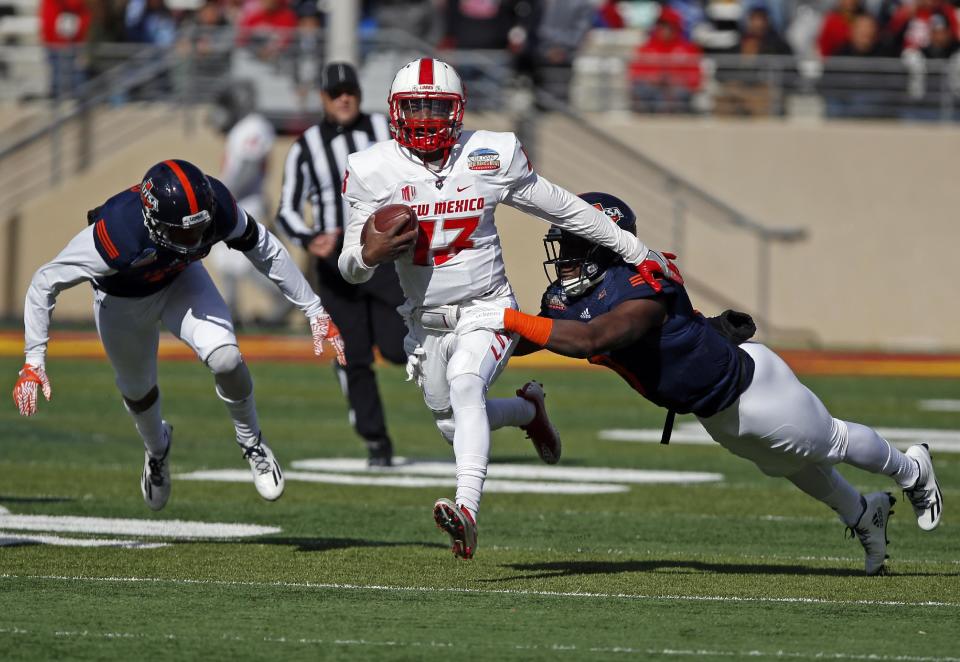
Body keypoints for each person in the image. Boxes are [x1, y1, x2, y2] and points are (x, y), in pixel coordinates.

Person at [456, 192, 944, 576]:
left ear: (603, 244)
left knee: (827, 441)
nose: (563, 256)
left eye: (574, 244)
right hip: (713, 408)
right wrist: (471, 334)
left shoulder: (640, 284)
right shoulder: (568, 297)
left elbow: (593, 338)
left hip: (751, 387)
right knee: (786, 463)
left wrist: (505, 316)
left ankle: (911, 469)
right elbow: (538, 336)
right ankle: (864, 514)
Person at [338, 58, 673, 559]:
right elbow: (348, 267)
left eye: (436, 106)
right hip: (425, 320)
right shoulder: (370, 169)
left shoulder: (489, 154)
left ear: (459, 110)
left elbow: (564, 207)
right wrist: (367, 255)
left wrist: (634, 250)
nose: (426, 118)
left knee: (466, 387)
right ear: (393, 111)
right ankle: (527, 411)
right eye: (415, 106)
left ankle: (466, 511)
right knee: (451, 422)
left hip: (486, 306)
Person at [12, 159, 345, 511]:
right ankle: (157, 451)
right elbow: (44, 282)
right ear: (153, 221)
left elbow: (265, 248)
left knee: (227, 358)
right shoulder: (118, 232)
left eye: (200, 228)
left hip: (180, 281)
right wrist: (34, 361)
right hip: (122, 301)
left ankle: (252, 443)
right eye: (184, 232)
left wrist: (313, 308)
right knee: (137, 391)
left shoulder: (215, 205)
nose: (196, 239)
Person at [276, 61, 407, 467]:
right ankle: (376, 442)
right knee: (354, 356)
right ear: (323, 99)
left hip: (383, 253)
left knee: (400, 346)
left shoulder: (385, 129)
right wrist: (308, 238)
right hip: (335, 262)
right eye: (336, 93)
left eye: (349, 90)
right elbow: (286, 210)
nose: (344, 98)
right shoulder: (306, 145)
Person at [208, 81, 291, 326]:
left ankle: (284, 298)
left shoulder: (253, 126)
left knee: (241, 261)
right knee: (225, 257)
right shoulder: (244, 128)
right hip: (237, 201)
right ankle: (232, 309)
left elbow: (248, 169)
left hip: (244, 203)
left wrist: (220, 196)